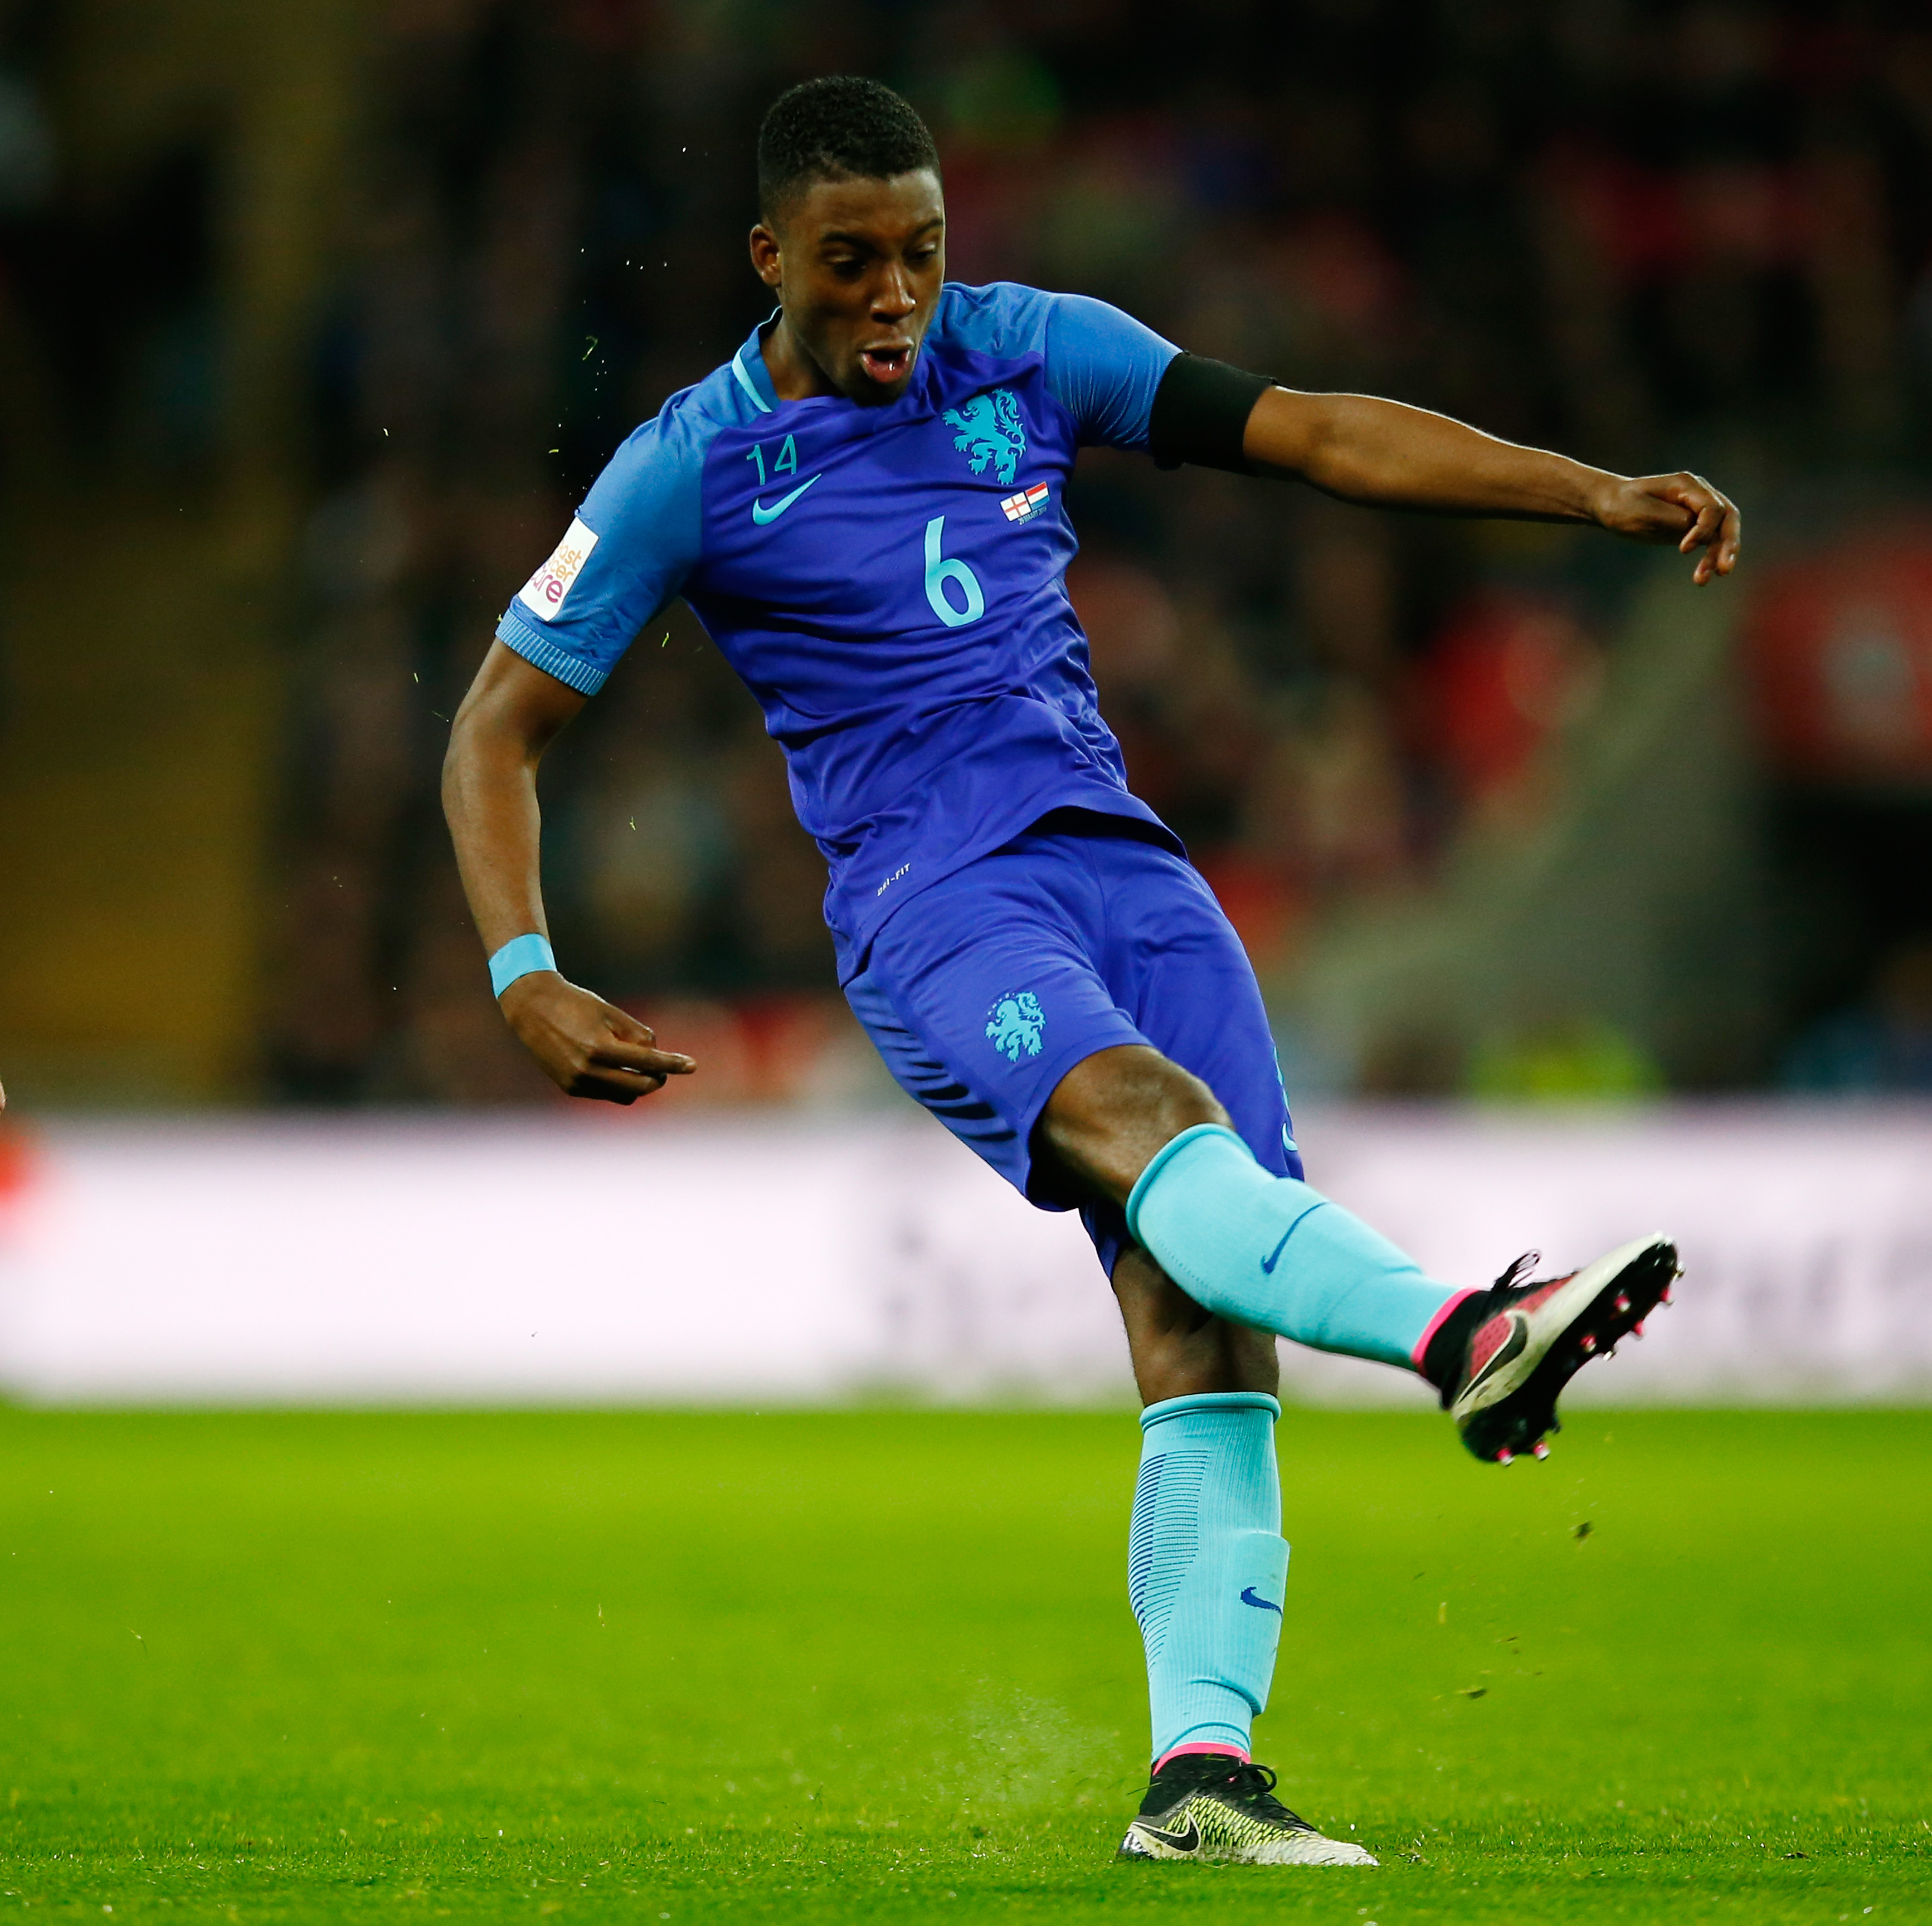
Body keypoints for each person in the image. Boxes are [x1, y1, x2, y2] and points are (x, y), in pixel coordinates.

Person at [441, 75, 1740, 1867]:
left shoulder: (1036, 349)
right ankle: (1469, 1336)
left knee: (1202, 1326)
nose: (897, 294)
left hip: (1132, 878)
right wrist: (524, 968)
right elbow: (497, 728)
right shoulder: (688, 464)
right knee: (1149, 1119)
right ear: (770, 259)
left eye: (921, 251)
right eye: (850, 263)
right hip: (935, 902)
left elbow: (1320, 436)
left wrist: (1585, 494)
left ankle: (1199, 1785)